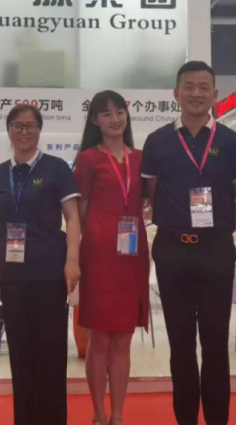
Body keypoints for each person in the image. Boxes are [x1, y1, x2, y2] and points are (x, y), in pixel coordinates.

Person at [141, 61, 236, 425]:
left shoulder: (232, 142)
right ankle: (186, 419)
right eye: (188, 86)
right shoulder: (157, 141)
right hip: (172, 251)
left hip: (215, 251)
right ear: (176, 93)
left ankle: (218, 418)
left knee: (216, 343)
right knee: (180, 344)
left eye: (204, 87)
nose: (196, 93)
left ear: (215, 94)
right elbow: (152, 194)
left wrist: (217, 230)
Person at [0, 104, 81, 425]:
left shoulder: (56, 168)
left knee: (51, 354)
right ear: (8, 130)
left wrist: (72, 261)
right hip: (13, 278)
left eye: (30, 126)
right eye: (17, 125)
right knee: (20, 355)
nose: (24, 132)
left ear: (40, 131)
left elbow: (73, 218)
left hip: (50, 274)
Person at [73, 91, 150, 425]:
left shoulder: (142, 159)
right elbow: (79, 213)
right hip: (99, 257)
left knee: (123, 339)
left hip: (132, 257)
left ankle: (117, 415)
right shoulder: (88, 159)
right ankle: (99, 413)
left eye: (120, 112)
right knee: (100, 337)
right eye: (106, 114)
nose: (115, 119)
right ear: (95, 120)